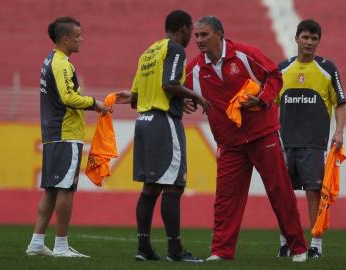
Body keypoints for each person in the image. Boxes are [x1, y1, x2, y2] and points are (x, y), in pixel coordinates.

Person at [185, 16, 308, 262]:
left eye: (204, 35)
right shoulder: (194, 69)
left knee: (279, 191)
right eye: (196, 36)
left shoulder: (245, 54)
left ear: (219, 34)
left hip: (263, 135)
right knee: (225, 200)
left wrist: (262, 99)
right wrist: (186, 99)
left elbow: (275, 76)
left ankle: (298, 248)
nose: (198, 40)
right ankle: (221, 251)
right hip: (229, 144)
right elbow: (181, 91)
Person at [115, 10, 210, 263]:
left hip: (143, 121)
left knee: (150, 187)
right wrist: (196, 96)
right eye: (191, 30)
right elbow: (169, 84)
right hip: (162, 122)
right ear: (183, 28)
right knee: (174, 186)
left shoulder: (148, 52)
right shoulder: (176, 49)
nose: (192, 36)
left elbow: (135, 97)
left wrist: (180, 98)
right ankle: (175, 250)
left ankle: (144, 248)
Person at [26, 16, 107, 258]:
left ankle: (37, 242)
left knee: (51, 189)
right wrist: (96, 104)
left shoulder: (49, 60)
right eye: (78, 35)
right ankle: (61, 246)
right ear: (65, 39)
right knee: (65, 189)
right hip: (65, 133)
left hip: (53, 133)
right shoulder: (61, 63)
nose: (81, 39)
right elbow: (67, 97)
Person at [276, 19, 346, 258]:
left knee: (314, 192)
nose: (309, 42)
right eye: (305, 37)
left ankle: (316, 245)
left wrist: (339, 132)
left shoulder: (328, 68)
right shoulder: (282, 68)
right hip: (285, 144)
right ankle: (285, 243)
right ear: (296, 39)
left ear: (318, 42)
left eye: (314, 38)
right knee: (283, 195)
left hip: (313, 144)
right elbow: (270, 104)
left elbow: (340, 103)